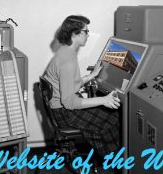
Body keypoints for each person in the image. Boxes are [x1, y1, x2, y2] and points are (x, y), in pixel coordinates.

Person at [43, 15, 120, 157]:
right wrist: (103, 100)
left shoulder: (65, 51)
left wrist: (90, 76)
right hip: (65, 114)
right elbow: (69, 102)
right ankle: (116, 158)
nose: (88, 35)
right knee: (115, 117)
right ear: (75, 33)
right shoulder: (68, 61)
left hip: (58, 109)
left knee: (106, 111)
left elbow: (69, 85)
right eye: (86, 31)